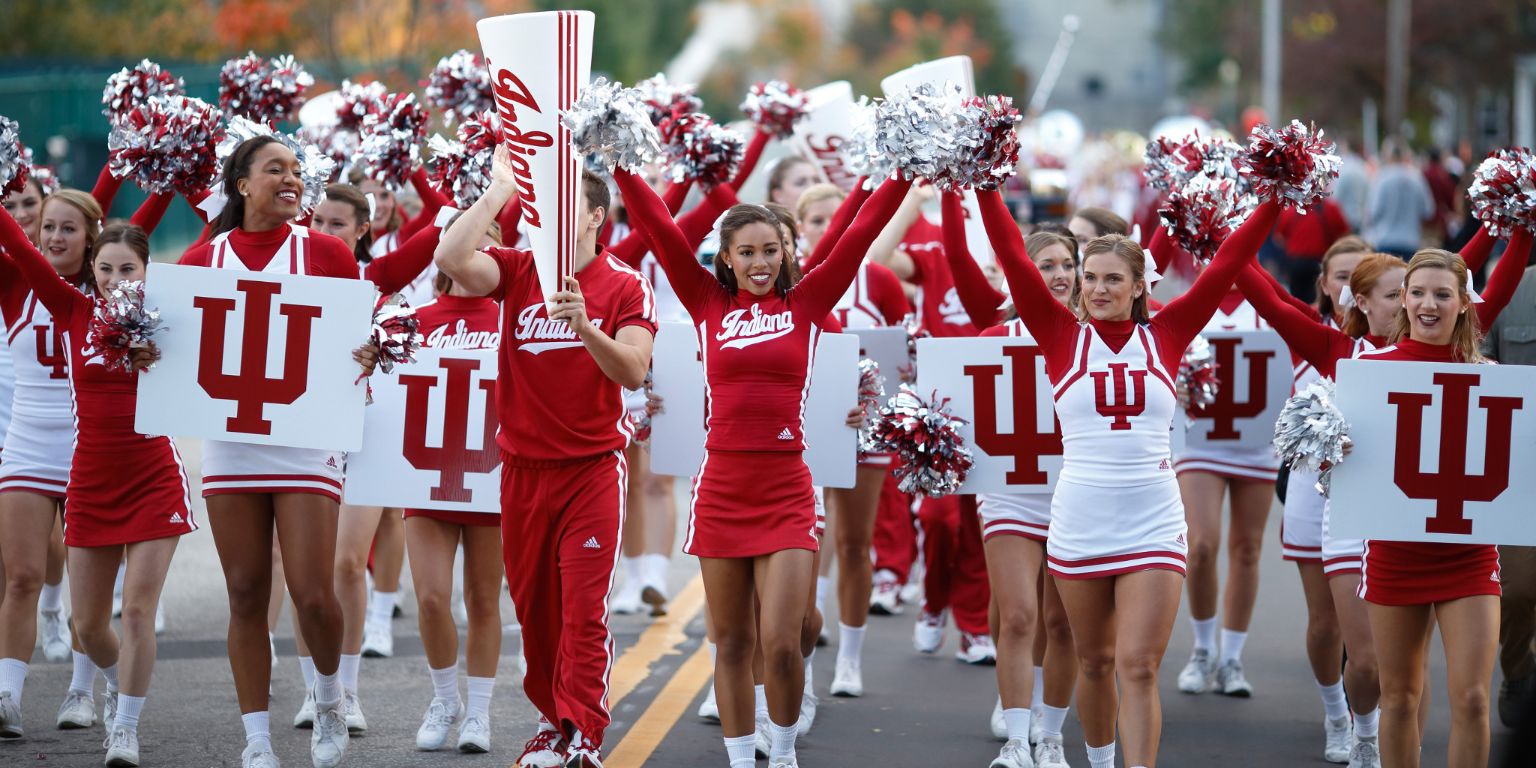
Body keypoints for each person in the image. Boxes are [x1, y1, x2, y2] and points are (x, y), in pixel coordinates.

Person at [616, 160, 910, 768]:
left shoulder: (808, 302)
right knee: (731, 642)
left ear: (785, 252)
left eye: (770, 250)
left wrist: (902, 171)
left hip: (786, 490)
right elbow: (658, 227)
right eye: (746, 252)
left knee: (783, 642)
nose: (759, 263)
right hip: (721, 487)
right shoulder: (704, 302)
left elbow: (859, 234)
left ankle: (782, 750)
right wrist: (620, 164)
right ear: (724, 258)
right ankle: (741, 755)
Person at [984, 181, 1280, 768]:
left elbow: (1227, 263)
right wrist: (988, 179)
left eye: (1112, 279)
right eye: (1089, 277)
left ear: (1141, 285)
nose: (1096, 289)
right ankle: (1097, 759)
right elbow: (1014, 261)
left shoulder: (1167, 334)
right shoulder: (1060, 337)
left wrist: (1275, 191)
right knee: (1094, 661)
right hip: (1080, 517)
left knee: (1138, 665)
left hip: (1152, 516)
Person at [435, 145, 656, 768]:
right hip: (523, 470)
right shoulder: (518, 267)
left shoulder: (623, 283)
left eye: (563, 206)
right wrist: (500, 188)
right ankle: (547, 723)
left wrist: (587, 326)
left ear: (593, 215)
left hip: (591, 468)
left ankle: (582, 731)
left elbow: (635, 371)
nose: (546, 217)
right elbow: (449, 258)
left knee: (583, 610)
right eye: (541, 207)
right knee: (536, 613)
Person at [179, 136, 377, 768]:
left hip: (305, 442)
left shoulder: (324, 252)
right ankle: (256, 738)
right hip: (232, 445)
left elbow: (351, 336)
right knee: (244, 591)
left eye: (297, 171)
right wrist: (149, 355)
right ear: (241, 185)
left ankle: (326, 701)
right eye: (275, 170)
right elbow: (179, 356)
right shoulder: (199, 260)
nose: (292, 180)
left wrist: (367, 351)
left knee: (313, 592)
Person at [0, 211, 193, 766]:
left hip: (153, 475)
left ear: (149, 270)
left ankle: (126, 728)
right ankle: (118, 685)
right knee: (88, 623)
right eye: (104, 268)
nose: (114, 279)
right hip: (88, 477)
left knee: (135, 613)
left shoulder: (172, 319)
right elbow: (21, 245)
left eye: (127, 268)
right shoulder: (72, 308)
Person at [1357, 241, 1530, 768]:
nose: (1429, 304)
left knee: (1473, 697)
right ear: (1404, 299)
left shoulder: (1494, 378)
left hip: (1469, 555)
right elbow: (1345, 466)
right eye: (1418, 293)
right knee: (1401, 698)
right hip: (1395, 553)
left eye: (1443, 294)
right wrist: (1333, 451)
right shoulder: (1370, 371)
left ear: (1464, 303)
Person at [942, 192, 1080, 768]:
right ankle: (1018, 742)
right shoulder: (988, 341)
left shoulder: (1101, 341)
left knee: (1063, 622)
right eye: (1043, 265)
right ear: (1021, 274)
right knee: (1020, 614)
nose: (1057, 275)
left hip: (1078, 495)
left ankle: (1052, 736)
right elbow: (952, 414)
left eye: (1066, 264)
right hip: (1008, 493)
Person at [795, 182, 911, 699]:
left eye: (832, 219)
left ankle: (850, 656)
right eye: (816, 221)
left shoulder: (880, 279)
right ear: (801, 230)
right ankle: (802, 659)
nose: (826, 228)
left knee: (854, 543)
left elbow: (904, 355)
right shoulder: (789, 279)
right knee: (805, 543)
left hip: (862, 425)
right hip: (803, 427)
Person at [0, 189, 106, 739]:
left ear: (91, 236)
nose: (55, 238)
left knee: (89, 592)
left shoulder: (111, 290)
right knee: (20, 576)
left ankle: (82, 692)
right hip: (26, 446)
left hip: (90, 447)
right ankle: (7, 699)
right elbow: (9, 236)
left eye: (69, 229)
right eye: (48, 228)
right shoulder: (16, 282)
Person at [405, 263, 506, 754]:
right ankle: (446, 700)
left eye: (487, 243)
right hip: (424, 477)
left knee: (484, 601)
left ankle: (480, 713)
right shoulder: (410, 319)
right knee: (429, 597)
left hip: (491, 478)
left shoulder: (514, 317)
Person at [1480, 255, 1536, 729]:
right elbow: (1476, 369)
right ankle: (1518, 670)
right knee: (1517, 591)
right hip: (1519, 472)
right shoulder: (1514, 291)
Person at [1365, 140, 1433, 259]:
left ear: (1388, 155)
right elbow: (1428, 211)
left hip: (1385, 240)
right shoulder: (1416, 177)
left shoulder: (1382, 177)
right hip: (1410, 241)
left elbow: (1373, 212)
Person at [1274, 200, 1351, 304]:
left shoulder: (1290, 210)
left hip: (1297, 264)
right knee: (1319, 303)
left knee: (1297, 303)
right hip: (1321, 263)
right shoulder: (1330, 207)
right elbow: (1344, 235)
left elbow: (1279, 238)